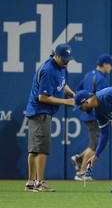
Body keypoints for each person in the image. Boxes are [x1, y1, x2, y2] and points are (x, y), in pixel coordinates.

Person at [24, 43, 75, 192]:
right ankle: (40, 183)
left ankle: (30, 183)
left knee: (34, 149)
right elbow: (43, 97)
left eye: (68, 59)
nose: (66, 62)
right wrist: (65, 101)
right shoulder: (49, 70)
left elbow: (62, 84)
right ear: (56, 55)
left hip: (38, 112)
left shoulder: (59, 68)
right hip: (41, 112)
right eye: (64, 58)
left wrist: (72, 94)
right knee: (41, 149)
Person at [71, 54, 112, 181]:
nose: (111, 68)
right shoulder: (101, 78)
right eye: (110, 65)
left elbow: (78, 92)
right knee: (96, 146)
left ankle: (79, 159)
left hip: (87, 113)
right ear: (105, 64)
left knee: (94, 144)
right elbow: (103, 99)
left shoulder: (88, 75)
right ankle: (81, 173)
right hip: (95, 115)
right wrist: (111, 116)